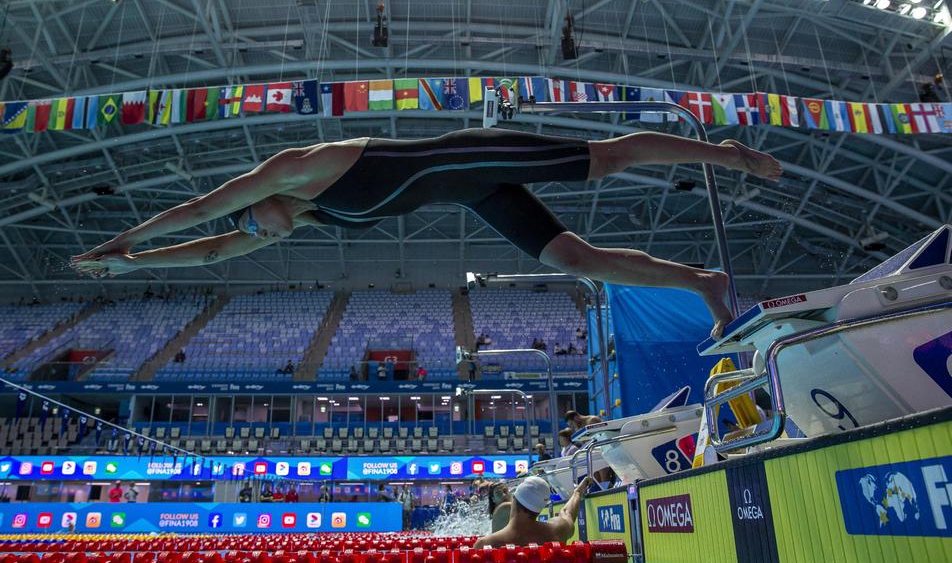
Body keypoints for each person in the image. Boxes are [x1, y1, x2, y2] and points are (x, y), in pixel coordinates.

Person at [70, 129, 782, 338]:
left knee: (608, 159)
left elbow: (202, 214)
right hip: (478, 194)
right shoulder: (309, 217)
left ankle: (724, 152)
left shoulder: (292, 173)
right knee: (577, 259)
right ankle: (704, 284)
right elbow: (215, 247)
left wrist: (124, 236)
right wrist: (129, 268)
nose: (257, 235)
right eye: (255, 233)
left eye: (253, 222)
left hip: (473, 155)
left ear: (259, 202)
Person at [473, 476, 591, 549]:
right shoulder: (557, 531)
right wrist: (578, 492)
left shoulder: (486, 544)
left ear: (514, 499)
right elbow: (567, 513)